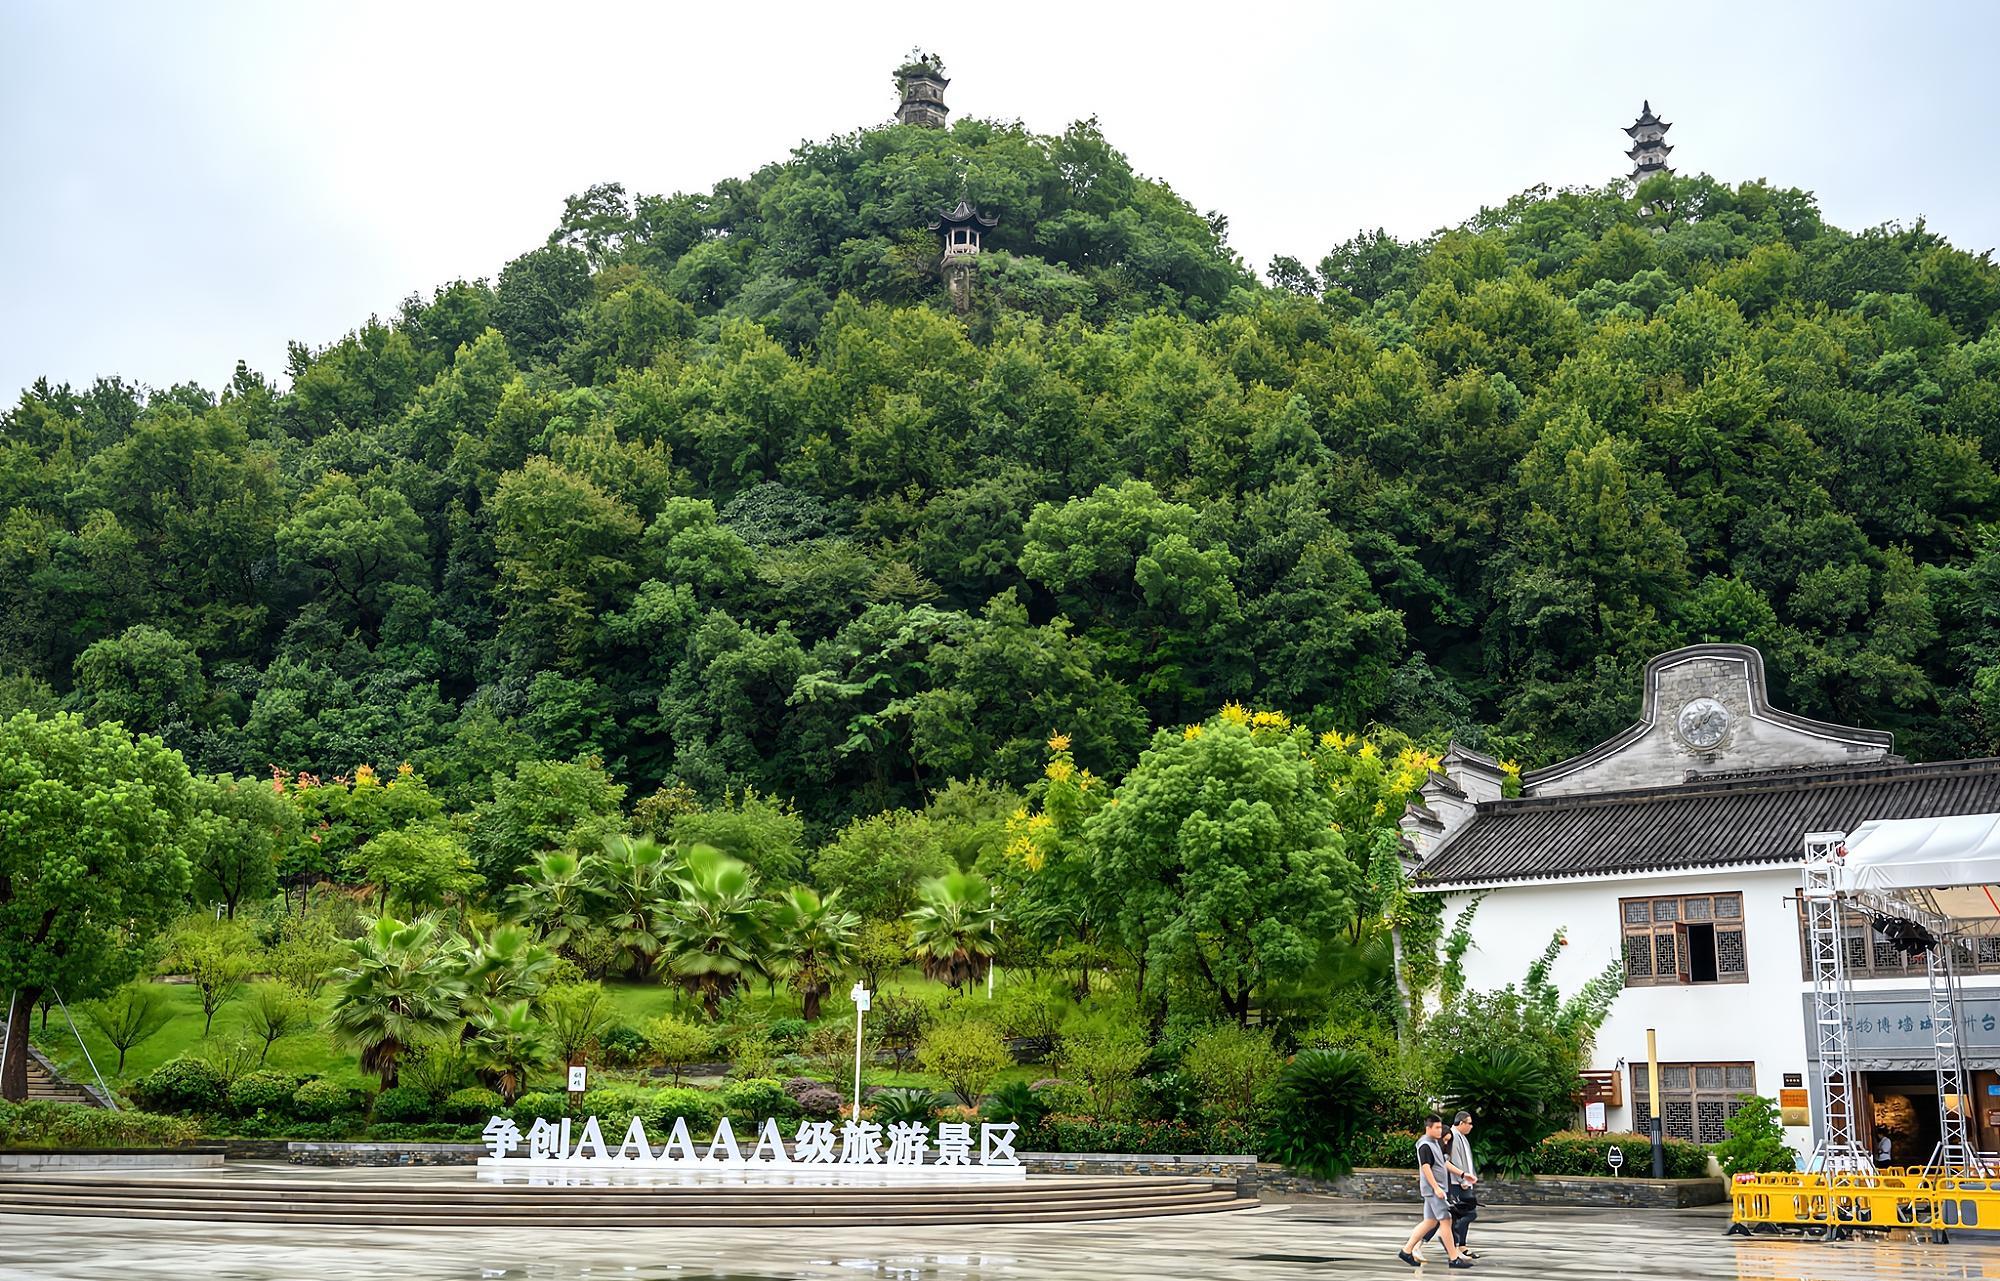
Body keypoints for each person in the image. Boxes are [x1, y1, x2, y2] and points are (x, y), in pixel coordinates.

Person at [1399, 1115, 1473, 1269]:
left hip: (1437, 1190)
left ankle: (1406, 1251)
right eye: (1437, 1128)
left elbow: (1444, 1163)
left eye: (1441, 1127)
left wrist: (1463, 1174)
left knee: (1430, 1222)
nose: (1440, 1130)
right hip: (1434, 1191)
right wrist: (1436, 1188)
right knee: (1446, 1221)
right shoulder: (1425, 1145)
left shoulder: (1435, 1144)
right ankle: (1453, 1258)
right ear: (1429, 1128)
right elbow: (1426, 1168)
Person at [1422, 1110, 1481, 1258]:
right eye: (1469, 1123)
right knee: (1453, 1216)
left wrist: (1469, 1177)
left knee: (1448, 1217)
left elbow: (1466, 1161)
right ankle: (1447, 1244)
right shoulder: (1453, 1136)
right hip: (1455, 1184)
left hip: (1461, 1182)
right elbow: (1450, 1162)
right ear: (1461, 1123)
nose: (1471, 1126)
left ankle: (1460, 1246)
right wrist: (1463, 1179)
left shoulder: (1462, 1137)